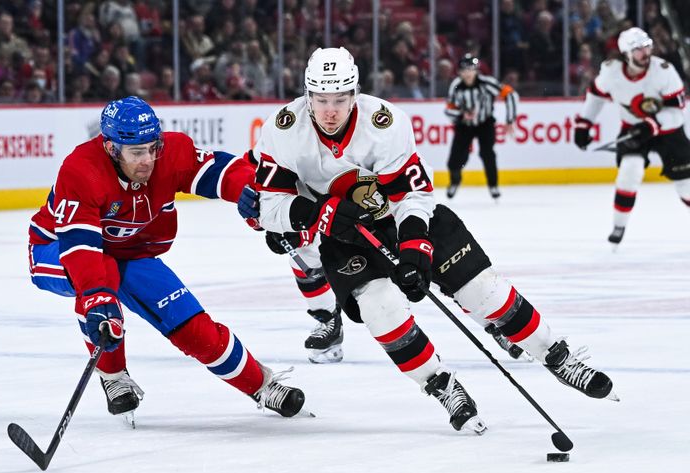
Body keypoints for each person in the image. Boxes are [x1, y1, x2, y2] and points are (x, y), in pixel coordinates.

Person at [238, 47, 617, 435]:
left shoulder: (384, 123)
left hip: (404, 219)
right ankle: (442, 386)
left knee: (484, 292)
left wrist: (415, 248)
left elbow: (412, 194)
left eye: (339, 99)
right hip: (344, 237)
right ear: (307, 96)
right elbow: (270, 207)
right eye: (321, 100)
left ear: (355, 94)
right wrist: (318, 215)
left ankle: (557, 356)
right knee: (380, 309)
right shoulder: (283, 130)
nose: (330, 110)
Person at [27, 96, 307, 422]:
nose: (147, 159)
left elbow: (220, 170)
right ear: (111, 149)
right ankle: (114, 377)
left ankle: (262, 386)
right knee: (101, 290)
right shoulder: (81, 171)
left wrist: (252, 192)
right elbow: (82, 250)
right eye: (136, 152)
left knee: (193, 328)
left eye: (152, 148)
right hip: (56, 248)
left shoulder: (171, 153)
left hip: (131, 252)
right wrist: (96, 298)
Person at [573, 27, 690, 245]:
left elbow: (676, 113)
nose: (646, 53)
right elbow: (595, 96)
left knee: (686, 185)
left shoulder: (664, 71)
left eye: (648, 47)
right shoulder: (611, 72)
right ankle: (619, 226)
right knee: (629, 172)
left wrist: (652, 125)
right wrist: (583, 124)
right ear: (626, 53)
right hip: (633, 128)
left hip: (669, 131)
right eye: (638, 49)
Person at [444, 54, 519, 200]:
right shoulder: (456, 86)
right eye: (464, 70)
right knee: (455, 159)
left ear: (476, 70)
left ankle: (493, 185)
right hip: (464, 125)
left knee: (487, 154)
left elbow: (510, 95)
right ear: (459, 72)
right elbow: (449, 109)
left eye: (471, 70)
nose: (468, 73)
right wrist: (461, 115)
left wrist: (510, 120)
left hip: (485, 123)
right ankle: (455, 181)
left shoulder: (487, 83)